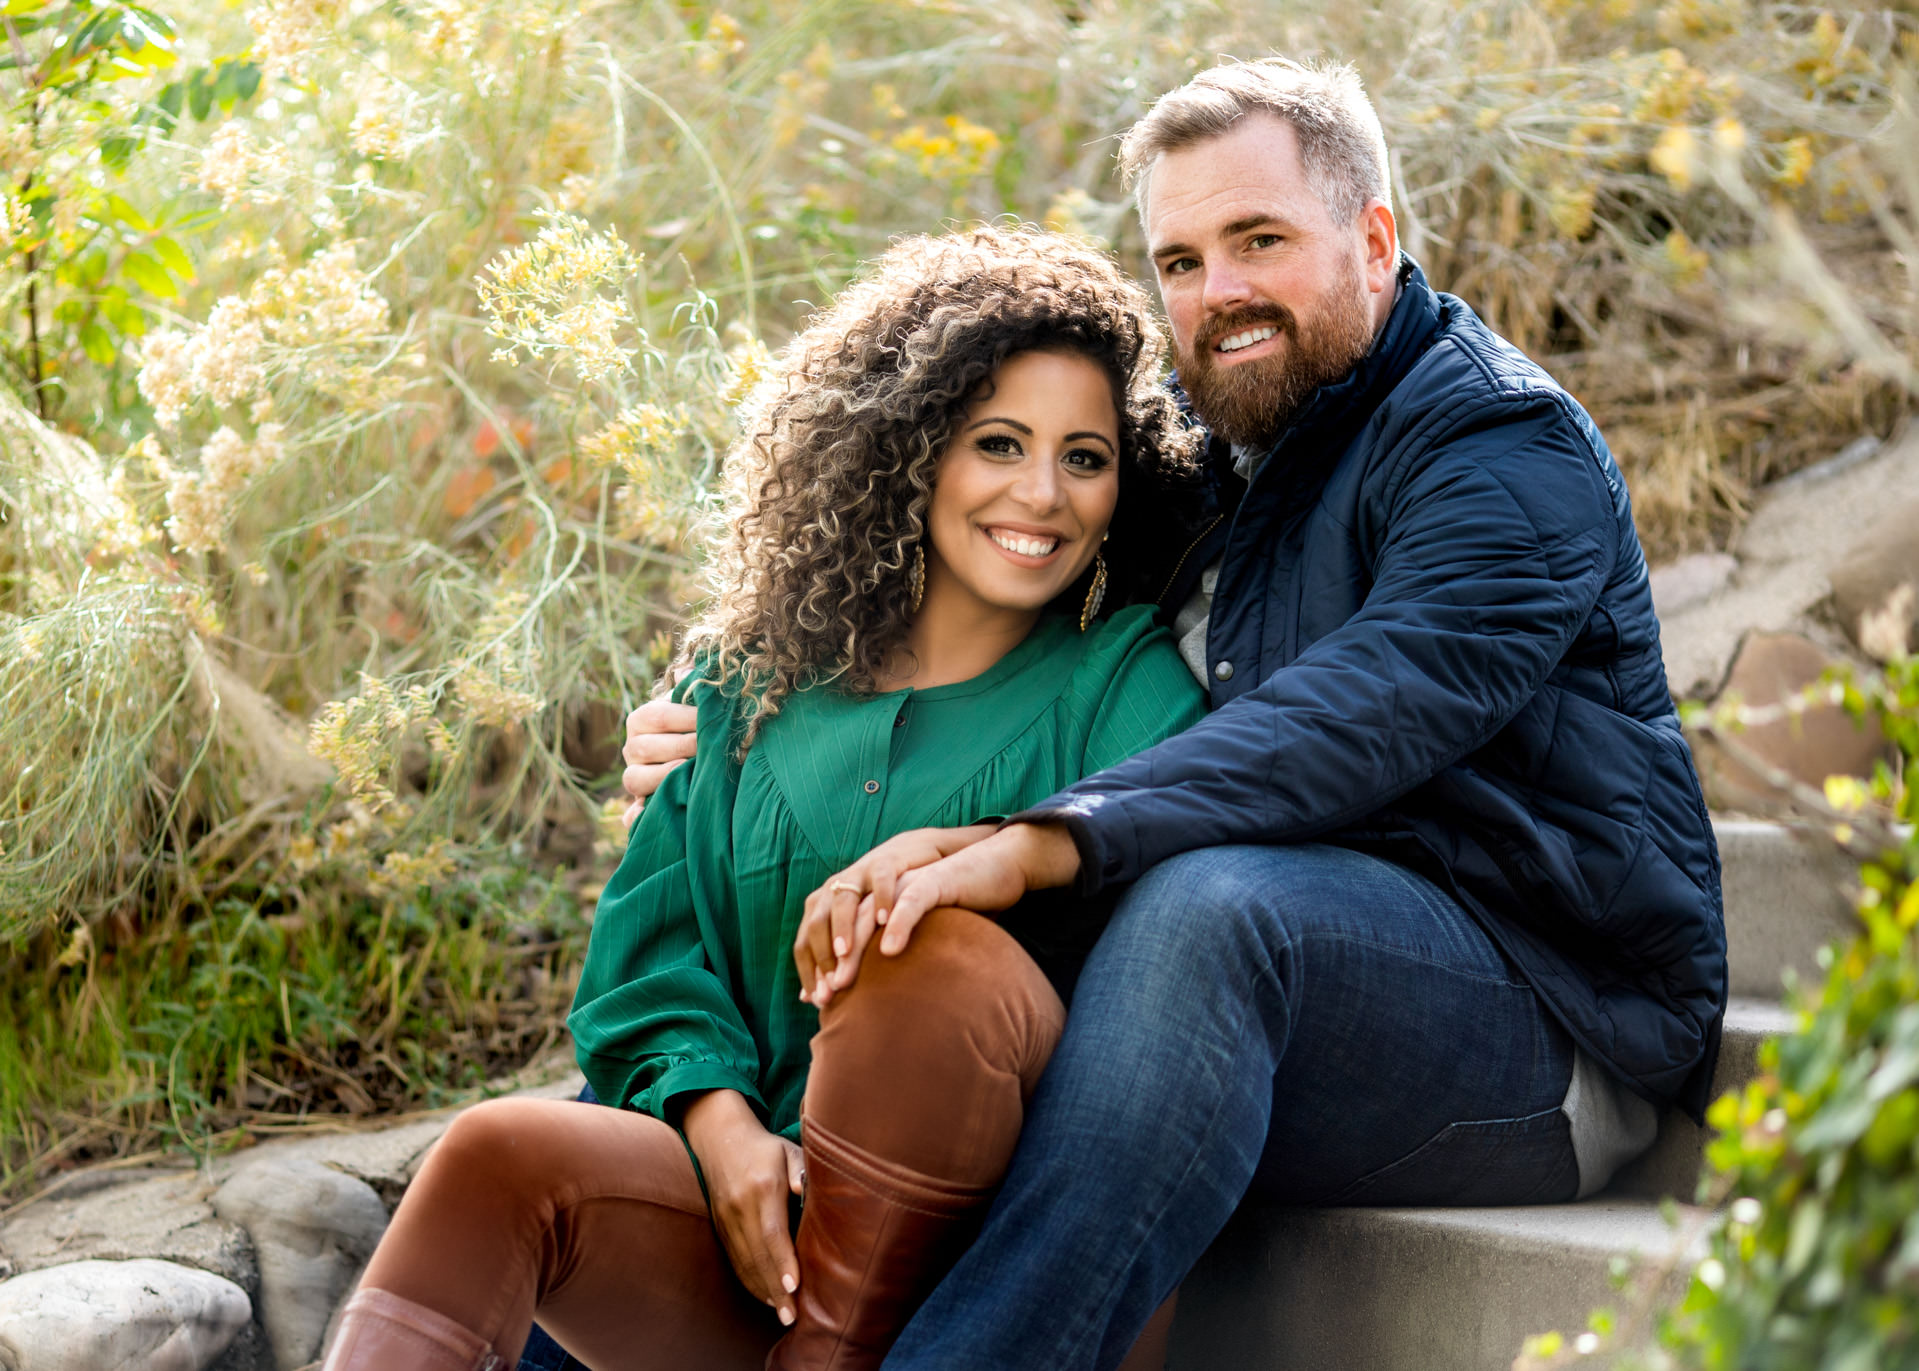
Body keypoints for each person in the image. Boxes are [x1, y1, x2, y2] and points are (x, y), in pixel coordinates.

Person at [622, 59, 1728, 1371]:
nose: (1218, 292)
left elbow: (1360, 708)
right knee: (932, 951)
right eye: (1181, 259)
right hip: (1269, 977)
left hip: (1543, 1015)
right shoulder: (1213, 465)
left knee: (1204, 912)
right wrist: (736, 702)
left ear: (1371, 239)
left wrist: (1040, 838)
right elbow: (957, 568)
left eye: (1256, 240)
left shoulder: (1497, 447)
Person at [319, 227, 1207, 1371]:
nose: (1041, 495)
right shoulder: (741, 683)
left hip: (988, 1269)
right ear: (908, 451)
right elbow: (650, 951)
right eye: (997, 444)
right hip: (745, 1224)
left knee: (918, 937)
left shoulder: (1124, 684)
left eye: (1084, 458)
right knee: (495, 1155)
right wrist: (719, 1127)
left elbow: (1151, 954)